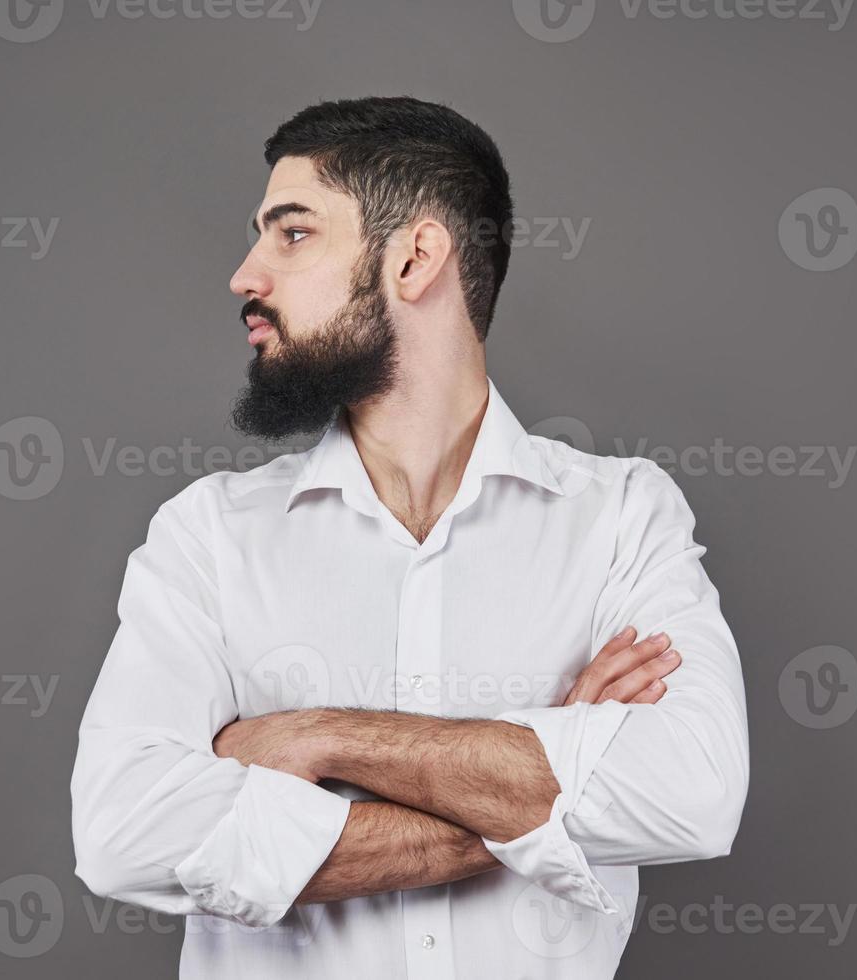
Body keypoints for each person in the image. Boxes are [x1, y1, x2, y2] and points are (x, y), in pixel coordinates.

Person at [71, 95, 749, 978]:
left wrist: (320, 737)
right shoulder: (207, 535)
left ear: (416, 257)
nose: (246, 274)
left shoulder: (620, 515)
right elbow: (125, 833)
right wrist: (541, 773)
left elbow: (689, 796)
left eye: (293, 233)